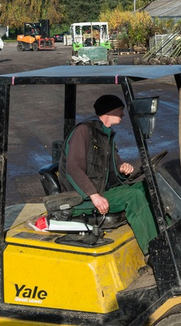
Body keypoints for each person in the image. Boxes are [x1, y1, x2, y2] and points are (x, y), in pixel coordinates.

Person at [58, 94, 158, 255]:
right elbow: (73, 168)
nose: (123, 114)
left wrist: (122, 168)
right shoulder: (84, 130)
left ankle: (166, 234)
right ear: (109, 111)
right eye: (120, 110)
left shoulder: (106, 134)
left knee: (149, 187)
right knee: (134, 197)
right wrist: (94, 195)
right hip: (81, 198)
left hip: (101, 190)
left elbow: (114, 165)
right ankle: (155, 251)